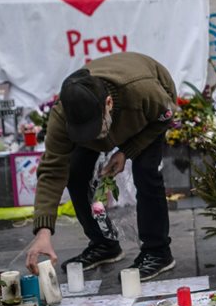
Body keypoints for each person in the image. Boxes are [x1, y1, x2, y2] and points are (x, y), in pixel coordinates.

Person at [25, 52, 178, 281]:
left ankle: (158, 252)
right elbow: (52, 170)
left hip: (148, 116)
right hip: (108, 113)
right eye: (84, 133)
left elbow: (165, 117)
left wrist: (127, 151)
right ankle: (104, 244)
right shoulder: (63, 115)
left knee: (146, 172)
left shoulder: (142, 92)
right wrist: (43, 232)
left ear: (108, 104)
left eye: (95, 129)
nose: (93, 138)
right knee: (75, 173)